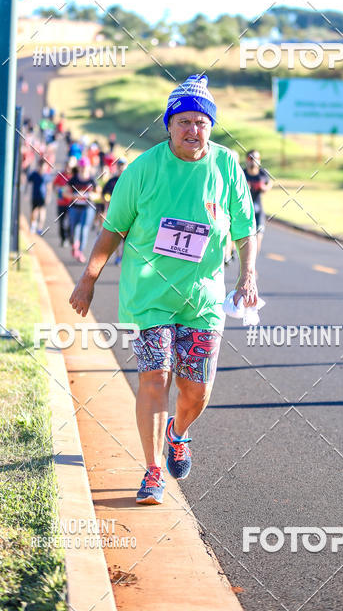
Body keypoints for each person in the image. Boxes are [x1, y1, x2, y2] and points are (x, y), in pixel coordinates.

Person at [69, 74, 258, 505]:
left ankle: (178, 432)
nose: (194, 130)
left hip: (203, 298)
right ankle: (153, 471)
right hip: (149, 296)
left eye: (201, 122)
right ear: (169, 124)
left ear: (211, 126)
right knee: (155, 378)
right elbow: (112, 229)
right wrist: (88, 279)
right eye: (185, 121)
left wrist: (248, 276)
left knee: (197, 390)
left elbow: (246, 230)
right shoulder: (143, 169)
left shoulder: (227, 166)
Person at [65, 159, 98, 263]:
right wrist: (74, 196)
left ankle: (80, 251)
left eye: (85, 166)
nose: (83, 169)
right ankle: (75, 245)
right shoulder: (73, 180)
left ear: (89, 167)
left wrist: (91, 195)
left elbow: (98, 194)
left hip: (88, 208)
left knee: (84, 228)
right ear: (79, 167)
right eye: (82, 166)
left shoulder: (92, 180)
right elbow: (65, 193)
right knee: (74, 227)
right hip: (74, 207)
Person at [243, 149, 271, 254]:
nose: (254, 161)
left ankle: (252, 265)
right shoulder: (242, 174)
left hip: (258, 212)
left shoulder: (263, 174)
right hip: (244, 212)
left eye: (257, 158)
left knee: (258, 238)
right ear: (246, 160)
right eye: (251, 158)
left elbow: (269, 184)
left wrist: (265, 188)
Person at [101, 158, 128, 264]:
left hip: (129, 214)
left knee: (127, 239)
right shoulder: (112, 181)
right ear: (117, 167)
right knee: (116, 237)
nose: (121, 167)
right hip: (115, 215)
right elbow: (103, 194)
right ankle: (118, 256)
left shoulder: (131, 180)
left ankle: (123, 257)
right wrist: (107, 206)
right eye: (119, 165)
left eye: (123, 165)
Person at [52, 157, 76, 247]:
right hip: (61, 203)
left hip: (71, 203)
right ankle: (63, 239)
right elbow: (54, 185)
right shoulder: (60, 175)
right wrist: (57, 191)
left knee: (71, 222)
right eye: (66, 166)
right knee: (61, 222)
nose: (67, 168)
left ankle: (70, 238)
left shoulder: (74, 177)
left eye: (69, 166)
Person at [26, 159, 52, 234]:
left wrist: (48, 196)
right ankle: (33, 225)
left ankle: (40, 228)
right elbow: (28, 181)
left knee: (42, 211)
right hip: (35, 196)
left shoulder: (47, 176)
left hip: (43, 197)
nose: (43, 169)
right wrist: (26, 193)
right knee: (34, 212)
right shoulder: (34, 174)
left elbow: (49, 187)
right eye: (41, 167)